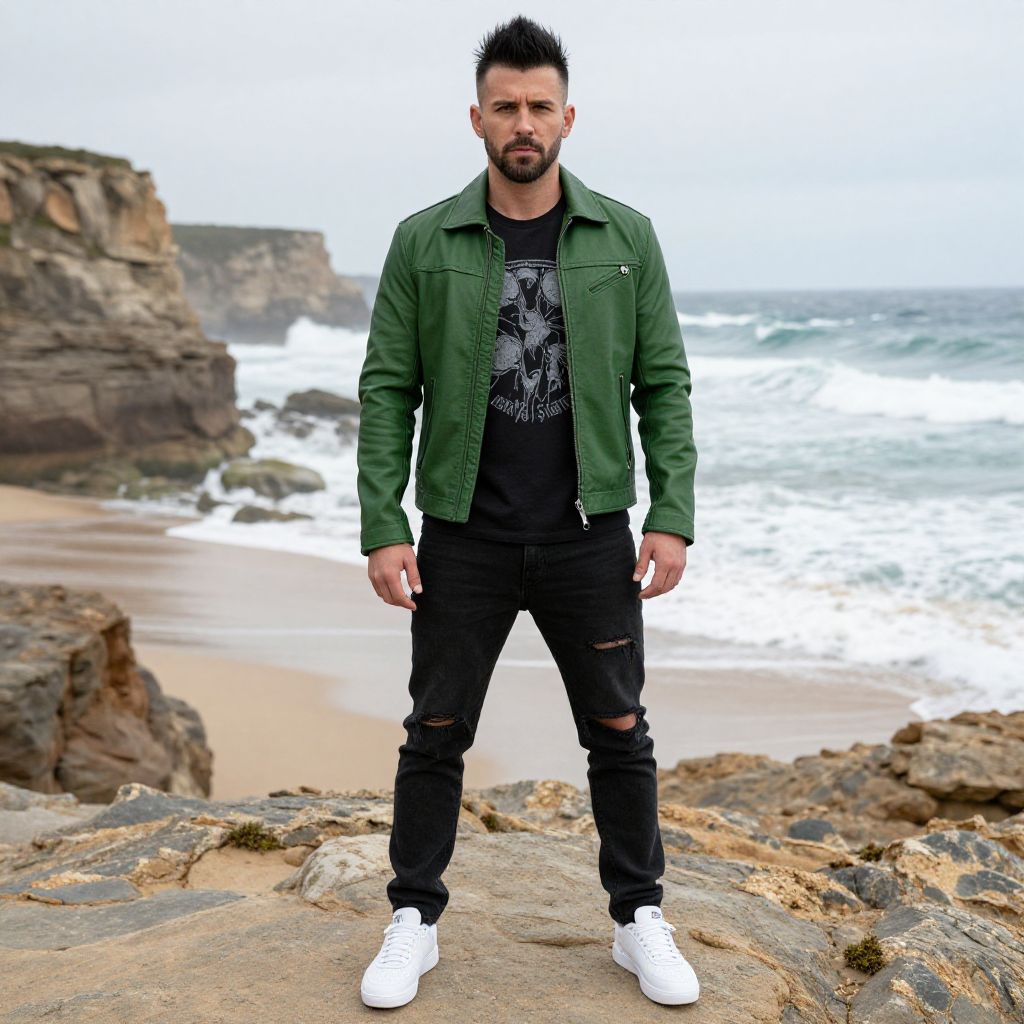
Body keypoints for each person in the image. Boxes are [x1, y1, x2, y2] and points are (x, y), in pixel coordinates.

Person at [355, 15, 699, 1010]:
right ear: (477, 118)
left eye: (539, 106)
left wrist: (671, 512)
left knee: (619, 729)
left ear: (567, 118)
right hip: (462, 534)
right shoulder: (424, 240)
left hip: (590, 533)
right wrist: (384, 523)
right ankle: (413, 920)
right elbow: (387, 389)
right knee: (435, 730)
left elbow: (663, 385)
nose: (523, 123)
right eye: (504, 106)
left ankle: (638, 917)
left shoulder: (625, 237)